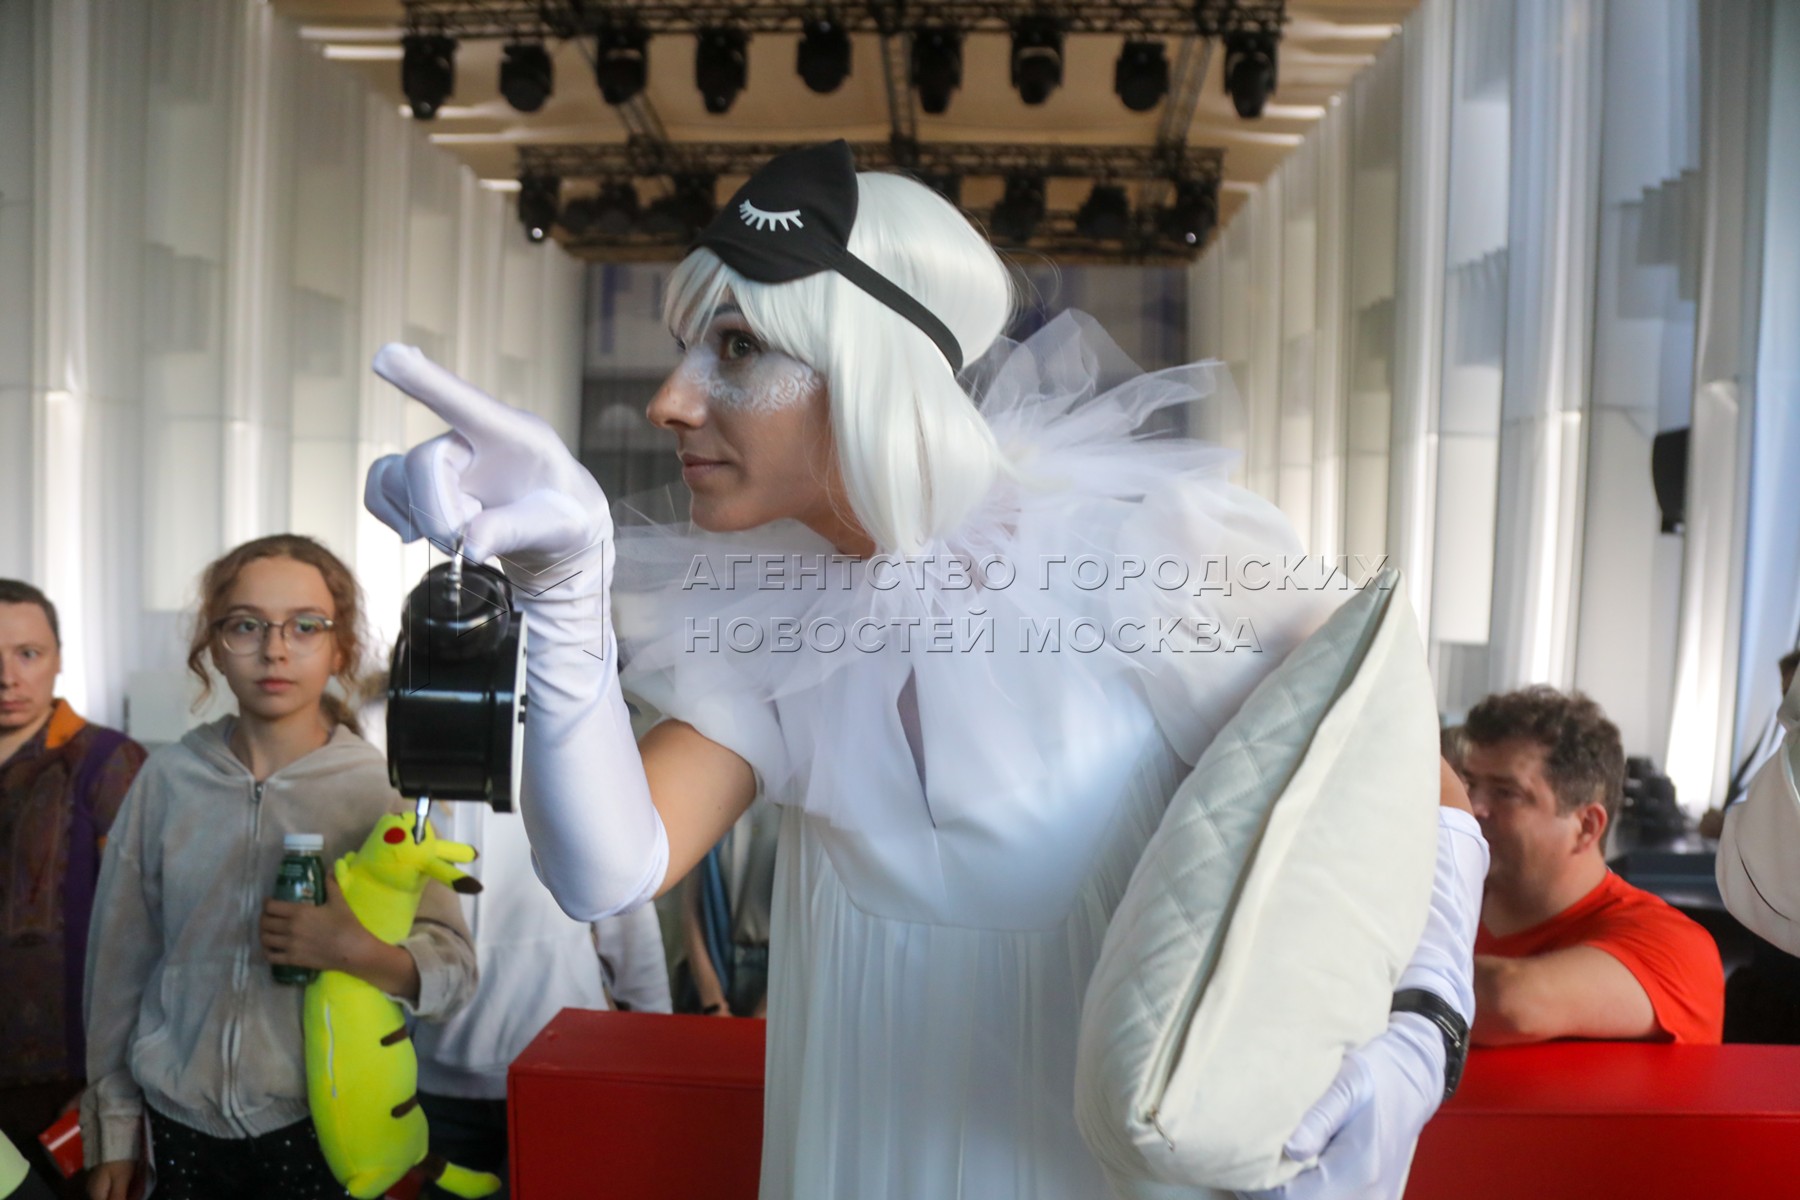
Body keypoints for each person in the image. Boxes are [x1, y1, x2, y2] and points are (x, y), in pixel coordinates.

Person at [364, 141, 1483, 1200]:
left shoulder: (1155, 547)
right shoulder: (769, 610)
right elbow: (605, 871)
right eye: (689, 348)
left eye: (738, 348)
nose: (671, 399)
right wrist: (563, 592)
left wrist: (1425, 1019)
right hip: (860, 1145)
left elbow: (1404, 774)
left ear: (869, 362)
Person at [81, 536, 478, 1200]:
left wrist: (356, 951)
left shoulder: (380, 793)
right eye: (246, 626)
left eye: (305, 626)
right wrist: (115, 1131)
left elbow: (454, 974)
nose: (275, 649)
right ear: (214, 647)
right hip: (180, 1129)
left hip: (325, 1127)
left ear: (341, 648)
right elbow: (117, 972)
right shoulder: (167, 781)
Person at [413, 802, 671, 1200]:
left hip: (566, 1071)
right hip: (441, 1076)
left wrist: (659, 1049)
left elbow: (628, 916)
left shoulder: (569, 768)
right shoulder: (411, 772)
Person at [1462, 686, 1723, 1045]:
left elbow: (1507, 1002)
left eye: (1506, 793)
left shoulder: (1677, 946)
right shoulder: (1435, 906)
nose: (1472, 807)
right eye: (1469, 785)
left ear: (1586, 827)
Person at [0, 581, 145, 1200]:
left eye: (28, 654)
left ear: (59, 658)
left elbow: (145, 938)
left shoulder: (109, 763)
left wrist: (112, 1089)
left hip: (69, 1084)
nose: (8, 677)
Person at [678, 801, 777, 1018]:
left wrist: (771, 1005)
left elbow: (809, 923)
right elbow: (691, 908)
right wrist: (713, 1003)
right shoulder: (715, 802)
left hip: (778, 970)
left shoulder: (801, 807)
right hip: (716, 963)